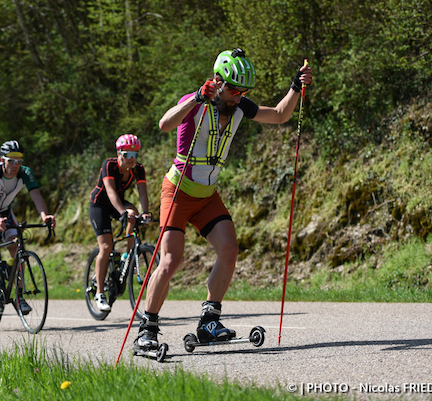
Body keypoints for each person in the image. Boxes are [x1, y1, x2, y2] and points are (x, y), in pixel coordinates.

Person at [134, 49, 313, 352]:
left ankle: (208, 322)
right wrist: (197, 99)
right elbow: (164, 124)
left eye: (242, 91)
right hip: (178, 191)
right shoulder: (195, 102)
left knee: (229, 249)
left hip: (207, 196)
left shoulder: (239, 106)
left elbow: (281, 115)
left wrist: (295, 87)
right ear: (217, 81)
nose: (237, 97)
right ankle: (147, 329)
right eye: (233, 89)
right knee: (170, 261)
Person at [0, 140, 56, 312]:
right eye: (12, 160)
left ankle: (18, 296)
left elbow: (36, 196)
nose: (16, 164)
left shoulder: (25, 173)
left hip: (5, 211)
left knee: (16, 247)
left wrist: (44, 215)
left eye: (19, 160)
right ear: (2, 160)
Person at [89, 134, 151, 312]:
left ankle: (128, 255)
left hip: (118, 203)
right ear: (119, 153)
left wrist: (145, 212)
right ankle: (100, 294)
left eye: (135, 154)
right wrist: (123, 212)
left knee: (135, 213)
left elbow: (142, 192)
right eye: (128, 154)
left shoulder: (138, 169)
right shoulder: (109, 164)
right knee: (106, 246)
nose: (132, 159)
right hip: (100, 205)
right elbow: (109, 191)